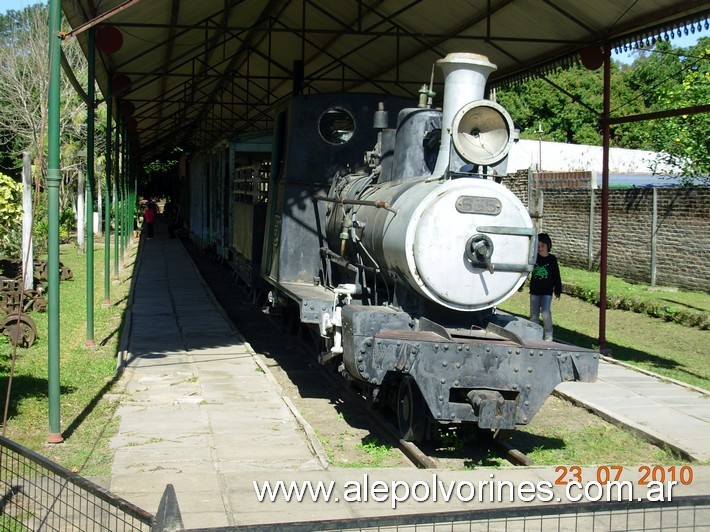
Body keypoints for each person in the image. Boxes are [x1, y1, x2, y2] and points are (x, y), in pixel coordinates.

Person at [529, 232, 561, 341]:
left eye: (542, 246)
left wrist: (558, 290)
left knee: (546, 313)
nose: (540, 248)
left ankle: (548, 334)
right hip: (534, 290)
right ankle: (534, 335)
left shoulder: (552, 260)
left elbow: (556, 275)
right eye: (538, 246)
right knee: (534, 315)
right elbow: (527, 272)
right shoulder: (534, 258)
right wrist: (521, 285)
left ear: (548, 246)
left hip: (547, 291)